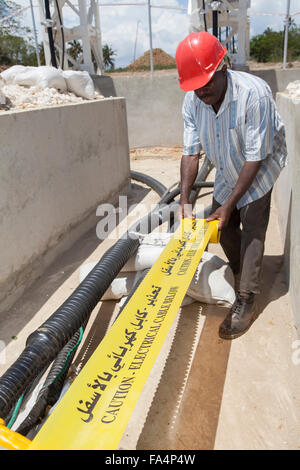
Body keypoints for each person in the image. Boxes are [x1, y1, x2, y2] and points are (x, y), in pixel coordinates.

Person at [176, 31, 287, 340]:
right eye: (195, 87)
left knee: (252, 225)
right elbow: (190, 152)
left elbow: (254, 158)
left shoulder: (254, 95)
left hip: (260, 166)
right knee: (221, 226)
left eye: (207, 82)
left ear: (222, 66)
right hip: (227, 167)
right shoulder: (193, 102)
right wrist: (184, 200)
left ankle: (247, 298)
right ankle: (241, 270)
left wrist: (230, 205)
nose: (201, 91)